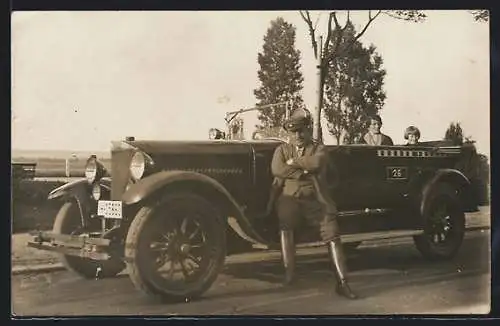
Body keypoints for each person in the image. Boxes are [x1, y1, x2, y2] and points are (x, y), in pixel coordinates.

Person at [270, 108, 358, 300]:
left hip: (317, 199)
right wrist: (301, 171)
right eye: (293, 132)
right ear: (288, 133)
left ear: (308, 130)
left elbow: (317, 162)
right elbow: (277, 169)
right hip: (290, 196)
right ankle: (290, 275)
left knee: (332, 233)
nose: (298, 135)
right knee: (286, 223)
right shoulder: (281, 149)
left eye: (301, 131)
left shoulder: (318, 148)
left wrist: (293, 162)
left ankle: (342, 282)